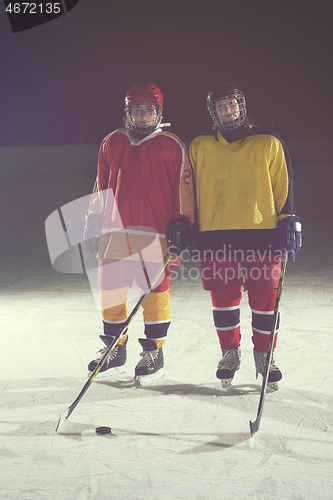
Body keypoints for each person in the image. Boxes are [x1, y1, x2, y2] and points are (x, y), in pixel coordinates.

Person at [189, 82, 301, 389]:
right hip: (214, 235)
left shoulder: (268, 141)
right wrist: (185, 223)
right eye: (220, 107)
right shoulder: (199, 145)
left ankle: (265, 356)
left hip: (262, 235)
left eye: (231, 105)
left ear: (242, 105)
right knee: (224, 302)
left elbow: (284, 186)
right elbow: (188, 190)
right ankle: (230, 353)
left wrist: (289, 220)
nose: (227, 111)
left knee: (266, 301)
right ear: (213, 112)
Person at [83, 82, 195, 385]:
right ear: (127, 112)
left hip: (155, 235)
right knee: (110, 291)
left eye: (149, 110)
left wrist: (183, 222)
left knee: (155, 294)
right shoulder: (112, 142)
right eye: (136, 110)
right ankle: (114, 348)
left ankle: (153, 351)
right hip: (114, 232)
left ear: (159, 112)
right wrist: (94, 216)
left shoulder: (172, 145)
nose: (143, 116)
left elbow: (183, 188)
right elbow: (101, 182)